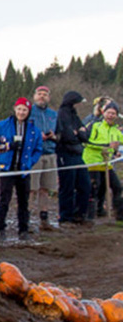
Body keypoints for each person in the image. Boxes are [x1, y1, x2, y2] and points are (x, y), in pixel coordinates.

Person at [0, 97, 43, 241]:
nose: (21, 112)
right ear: (14, 109)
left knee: (24, 201)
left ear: (28, 111)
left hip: (24, 170)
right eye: (19, 109)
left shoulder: (33, 129)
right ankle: (0, 229)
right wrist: (4, 147)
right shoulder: (2, 125)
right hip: (7, 168)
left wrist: (30, 162)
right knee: (4, 199)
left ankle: (23, 229)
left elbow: (38, 149)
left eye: (24, 110)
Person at [55, 91, 91, 225]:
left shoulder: (74, 115)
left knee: (85, 185)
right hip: (66, 154)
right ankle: (65, 217)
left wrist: (79, 133)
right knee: (67, 186)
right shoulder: (62, 114)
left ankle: (79, 214)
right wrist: (77, 134)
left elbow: (84, 134)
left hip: (78, 153)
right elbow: (67, 135)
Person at [83, 101, 123, 220]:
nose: (111, 115)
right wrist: (106, 145)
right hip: (92, 162)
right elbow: (86, 142)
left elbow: (118, 142)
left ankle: (118, 214)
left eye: (113, 113)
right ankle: (89, 215)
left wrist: (116, 151)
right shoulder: (94, 125)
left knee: (117, 187)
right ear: (103, 113)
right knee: (94, 188)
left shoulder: (115, 130)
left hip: (107, 164)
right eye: (109, 112)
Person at [29, 85, 59, 230]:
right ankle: (26, 218)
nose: (42, 96)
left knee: (45, 189)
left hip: (50, 152)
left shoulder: (53, 114)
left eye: (45, 94)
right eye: (39, 94)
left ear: (49, 97)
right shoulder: (28, 112)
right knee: (32, 188)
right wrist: (35, 135)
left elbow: (60, 133)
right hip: (34, 154)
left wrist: (54, 136)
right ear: (35, 96)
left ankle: (44, 218)